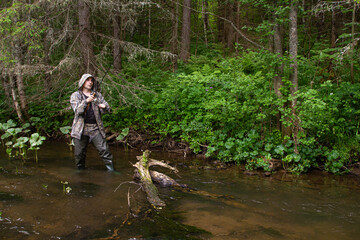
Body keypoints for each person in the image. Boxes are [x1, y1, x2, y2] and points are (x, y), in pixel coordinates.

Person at [70, 73, 114, 171]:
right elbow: (77, 111)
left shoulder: (97, 95)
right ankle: (80, 173)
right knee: (79, 154)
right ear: (82, 82)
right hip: (81, 129)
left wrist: (105, 107)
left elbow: (108, 109)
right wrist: (86, 101)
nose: (90, 82)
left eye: (91, 80)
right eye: (87, 80)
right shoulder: (75, 95)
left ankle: (111, 170)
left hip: (95, 128)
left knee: (104, 150)